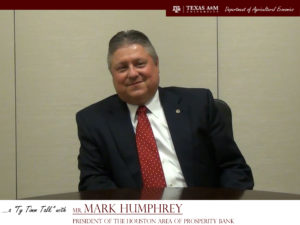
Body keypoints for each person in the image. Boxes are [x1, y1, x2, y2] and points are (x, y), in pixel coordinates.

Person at [76, 30, 254, 191]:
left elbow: (233, 168)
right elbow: (93, 181)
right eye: (122, 68)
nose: (132, 73)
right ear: (112, 74)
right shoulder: (93, 121)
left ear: (156, 64)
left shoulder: (198, 104)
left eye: (139, 64)